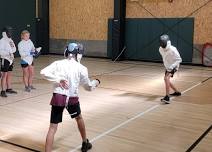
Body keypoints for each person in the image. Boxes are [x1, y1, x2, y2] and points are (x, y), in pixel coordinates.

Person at [40, 43, 100, 152]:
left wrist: (58, 80)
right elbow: (88, 87)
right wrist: (95, 82)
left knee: (53, 127)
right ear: (78, 54)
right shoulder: (82, 68)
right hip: (72, 99)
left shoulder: (58, 63)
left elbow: (43, 72)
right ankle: (85, 142)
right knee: (79, 118)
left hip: (58, 97)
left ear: (66, 52)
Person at [159, 34, 182, 104]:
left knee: (166, 79)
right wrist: (167, 66)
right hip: (168, 67)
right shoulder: (160, 49)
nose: (162, 44)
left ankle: (167, 97)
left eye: (163, 42)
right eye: (161, 42)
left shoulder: (173, 49)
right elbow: (165, 59)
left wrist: (172, 67)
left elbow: (179, 59)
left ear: (167, 42)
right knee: (166, 79)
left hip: (174, 66)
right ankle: (177, 92)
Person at [0, 26, 17, 97]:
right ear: (5, 32)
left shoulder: (10, 40)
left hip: (10, 59)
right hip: (5, 59)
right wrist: (8, 53)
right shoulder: (2, 41)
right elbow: (0, 51)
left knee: (9, 74)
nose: (10, 33)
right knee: (4, 75)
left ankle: (8, 88)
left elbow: (14, 48)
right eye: (8, 31)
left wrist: (11, 53)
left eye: (10, 31)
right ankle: (3, 91)